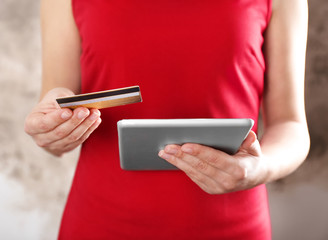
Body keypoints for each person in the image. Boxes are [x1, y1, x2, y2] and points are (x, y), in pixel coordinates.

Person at [24, 0, 310, 239]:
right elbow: (55, 140)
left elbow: (290, 125)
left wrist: (257, 169)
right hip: (100, 222)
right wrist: (53, 129)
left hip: (233, 225)